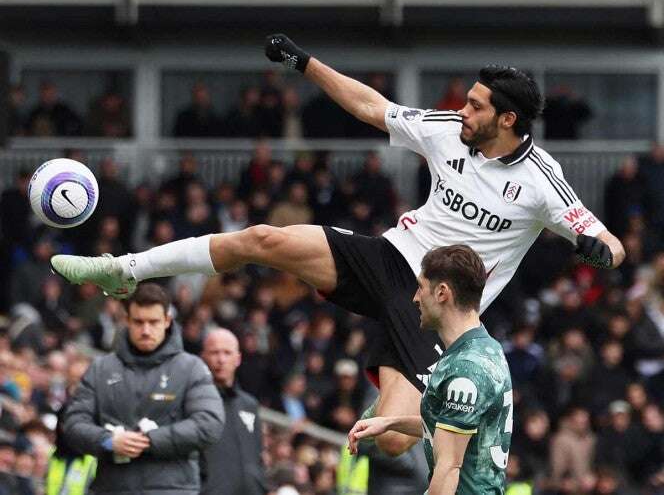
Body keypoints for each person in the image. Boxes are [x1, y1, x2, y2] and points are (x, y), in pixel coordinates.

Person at [51, 33, 625, 457]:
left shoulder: (542, 181)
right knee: (263, 238)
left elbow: (606, 240)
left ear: (508, 119)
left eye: (475, 106)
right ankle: (123, 269)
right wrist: (305, 64)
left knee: (391, 445)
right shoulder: (449, 130)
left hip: (437, 306)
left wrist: (600, 249)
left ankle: (414, 407)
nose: (462, 110)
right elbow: (371, 106)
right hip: (390, 257)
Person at [347, 245, 513, 495]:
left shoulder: (467, 368)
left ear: (442, 293)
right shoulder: (484, 346)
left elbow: (448, 469)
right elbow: (450, 428)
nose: (415, 298)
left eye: (421, 287)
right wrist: (390, 422)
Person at [62, 283, 225, 495]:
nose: (146, 330)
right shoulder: (101, 368)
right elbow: (73, 423)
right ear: (127, 320)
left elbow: (209, 424)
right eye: (138, 322)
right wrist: (108, 441)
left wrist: (150, 440)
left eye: (153, 322)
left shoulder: (191, 368)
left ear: (167, 321)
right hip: (112, 488)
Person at [200, 328, 267, 495]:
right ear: (203, 357)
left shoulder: (249, 404)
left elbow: (257, 457)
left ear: (238, 359)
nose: (221, 359)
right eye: (214, 352)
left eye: (227, 353)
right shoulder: (194, 400)